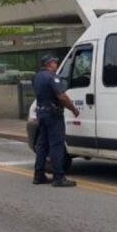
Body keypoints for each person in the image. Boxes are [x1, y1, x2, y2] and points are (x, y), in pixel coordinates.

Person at [32, 55, 79, 188]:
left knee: (42, 145)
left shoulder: (37, 77)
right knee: (56, 145)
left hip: (41, 113)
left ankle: (39, 175)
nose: (56, 64)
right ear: (49, 64)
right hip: (53, 115)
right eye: (54, 62)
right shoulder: (52, 77)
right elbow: (62, 97)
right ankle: (58, 177)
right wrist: (74, 109)